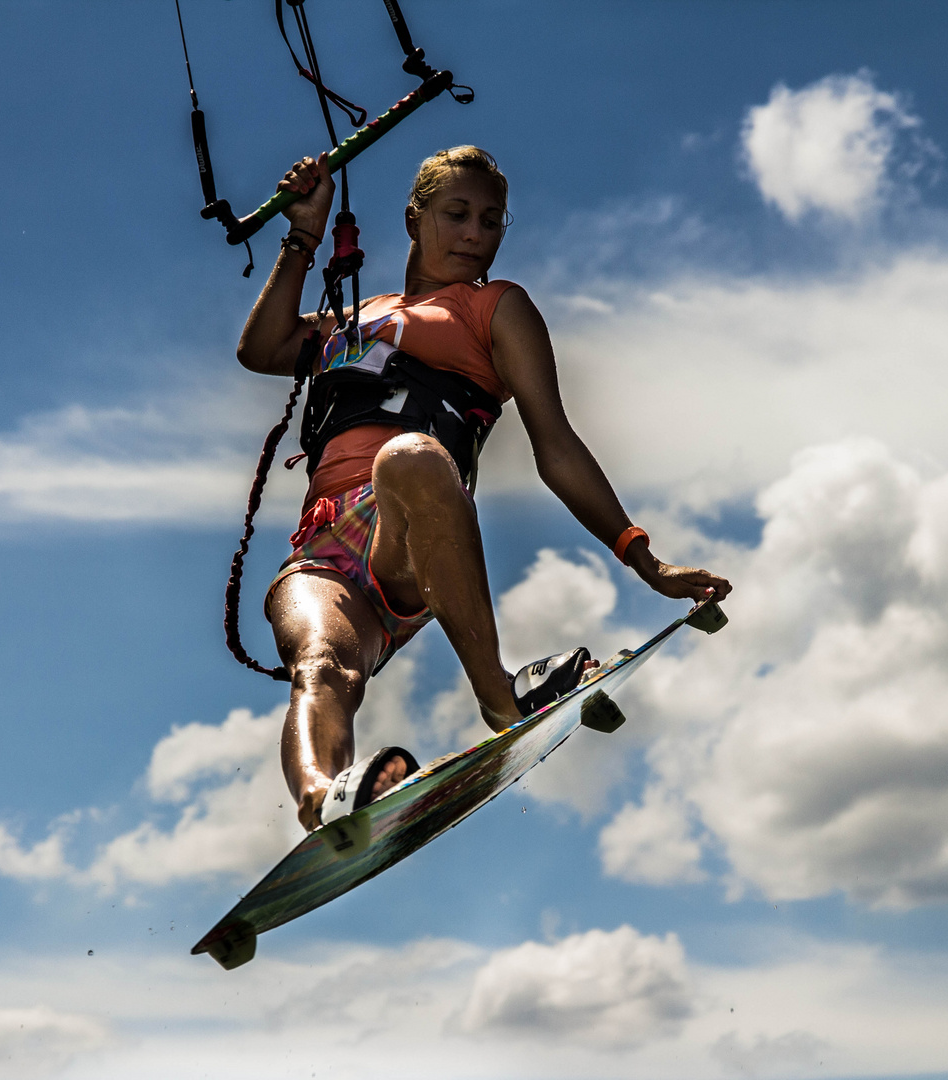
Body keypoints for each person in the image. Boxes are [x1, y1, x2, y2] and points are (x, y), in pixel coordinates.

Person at [236, 146, 732, 831]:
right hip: (323, 544)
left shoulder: (494, 308)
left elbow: (555, 443)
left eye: (492, 221)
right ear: (415, 220)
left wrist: (642, 557)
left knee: (409, 457)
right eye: (458, 214)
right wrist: (303, 235)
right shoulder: (359, 315)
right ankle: (323, 801)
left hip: (410, 527)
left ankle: (497, 696)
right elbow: (261, 350)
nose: (475, 233)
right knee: (322, 665)